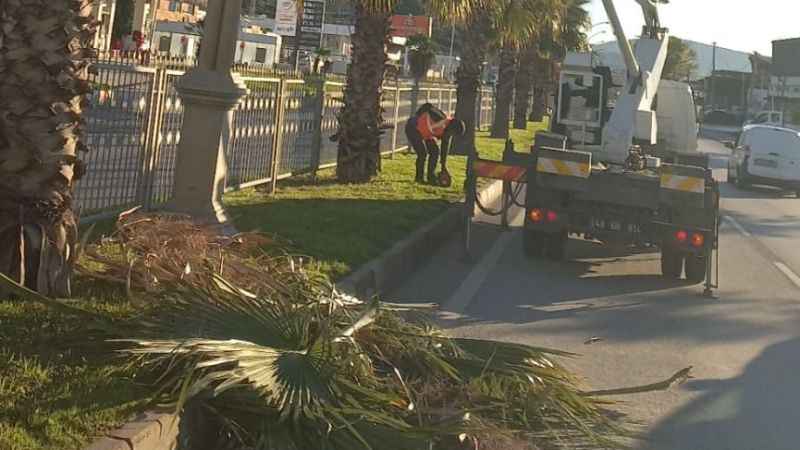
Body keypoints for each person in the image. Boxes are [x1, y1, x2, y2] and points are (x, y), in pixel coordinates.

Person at [405, 103, 465, 185]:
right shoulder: (441, 117)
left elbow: (444, 149)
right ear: (452, 127)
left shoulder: (446, 133)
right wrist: (418, 115)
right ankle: (419, 178)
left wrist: (443, 166)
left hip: (425, 133)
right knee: (422, 154)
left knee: (435, 151)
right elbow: (427, 106)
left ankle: (431, 177)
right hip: (413, 128)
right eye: (453, 133)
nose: (451, 135)